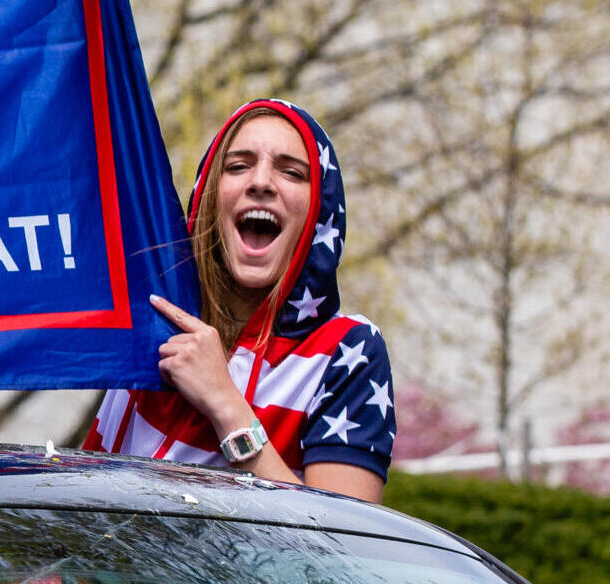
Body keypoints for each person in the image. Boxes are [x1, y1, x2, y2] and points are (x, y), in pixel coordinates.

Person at [82, 99, 394, 499]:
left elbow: (341, 550)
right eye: (238, 166)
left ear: (319, 214)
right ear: (210, 196)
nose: (261, 182)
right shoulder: (154, 323)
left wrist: (225, 405)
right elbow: (86, 505)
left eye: (291, 172)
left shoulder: (346, 352)